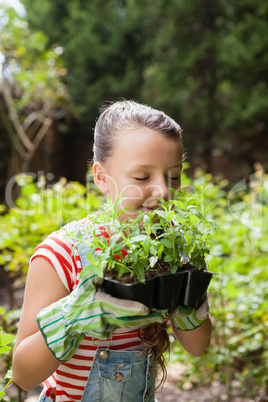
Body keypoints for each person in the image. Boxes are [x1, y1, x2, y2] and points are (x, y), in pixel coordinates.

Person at [12, 100, 212, 402]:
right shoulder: (64, 253)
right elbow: (23, 375)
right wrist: (73, 318)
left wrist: (188, 296)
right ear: (102, 178)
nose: (162, 190)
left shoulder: (168, 252)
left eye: (173, 176)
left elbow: (198, 347)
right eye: (142, 177)